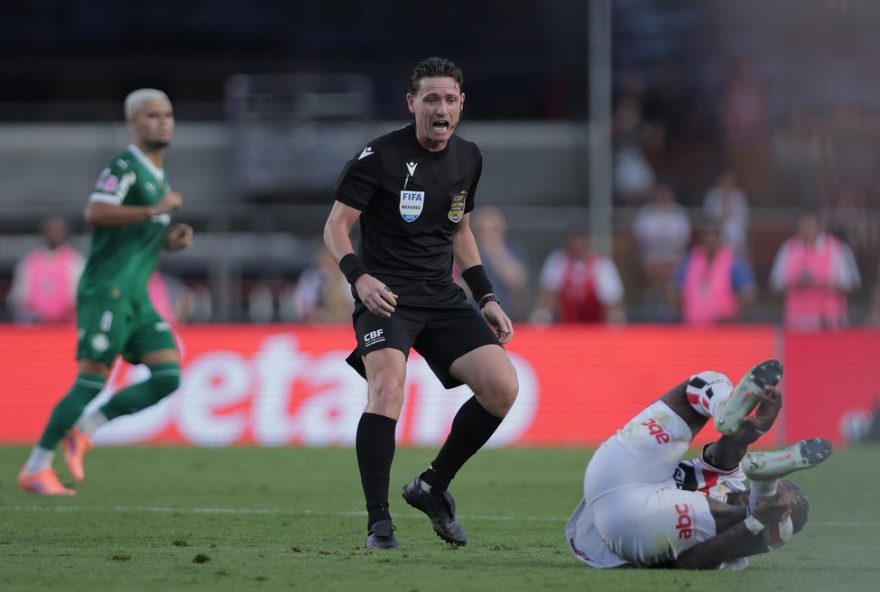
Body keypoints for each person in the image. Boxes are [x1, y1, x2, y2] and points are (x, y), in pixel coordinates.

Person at [323, 57, 518, 550]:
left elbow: (463, 232)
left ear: (461, 104)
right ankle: (379, 523)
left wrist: (486, 295)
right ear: (411, 103)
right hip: (386, 296)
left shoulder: (469, 157)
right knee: (387, 387)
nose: (441, 108)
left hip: (442, 296)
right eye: (431, 98)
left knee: (501, 387)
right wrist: (359, 279)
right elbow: (335, 228)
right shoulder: (379, 156)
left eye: (450, 99)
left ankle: (432, 485)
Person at [17, 88, 194, 496]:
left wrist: (171, 240)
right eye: (152, 116)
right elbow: (95, 211)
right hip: (106, 291)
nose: (162, 121)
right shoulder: (125, 167)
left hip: (137, 297)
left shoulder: (158, 174)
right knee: (91, 380)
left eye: (167, 114)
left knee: (168, 376)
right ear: (133, 123)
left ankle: (85, 429)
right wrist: (154, 210)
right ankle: (36, 467)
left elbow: (137, 236)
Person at [566, 360, 832, 569]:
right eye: (775, 494)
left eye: (777, 502)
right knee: (709, 380)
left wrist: (754, 524)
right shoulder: (732, 481)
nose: (744, 492)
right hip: (612, 475)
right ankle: (724, 408)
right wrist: (757, 429)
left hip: (627, 527)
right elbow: (726, 454)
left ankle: (762, 510)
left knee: (734, 517)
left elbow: (688, 563)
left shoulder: (733, 550)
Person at [769, 208, 861, 331]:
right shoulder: (789, 249)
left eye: (810, 226)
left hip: (829, 322)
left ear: (819, 226)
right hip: (797, 322)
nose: (806, 230)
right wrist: (796, 283)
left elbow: (851, 283)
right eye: (803, 226)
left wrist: (825, 283)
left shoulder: (837, 249)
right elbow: (776, 283)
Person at [674, 216, 756, 325]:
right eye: (707, 235)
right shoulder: (690, 259)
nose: (710, 239)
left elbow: (749, 293)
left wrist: (733, 314)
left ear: (721, 236)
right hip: (691, 327)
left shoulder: (733, 260)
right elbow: (674, 290)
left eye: (714, 234)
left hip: (723, 329)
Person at [531, 229, 625, 324]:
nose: (577, 243)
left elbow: (613, 301)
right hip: (566, 328)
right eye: (575, 238)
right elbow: (547, 295)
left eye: (581, 238)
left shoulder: (602, 265)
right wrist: (542, 316)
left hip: (595, 329)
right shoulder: (558, 261)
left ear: (587, 240)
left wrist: (614, 319)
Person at [8, 216, 85, 324]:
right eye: (50, 231)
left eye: (58, 231)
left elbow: (79, 296)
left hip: (66, 325)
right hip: (36, 325)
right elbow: (19, 296)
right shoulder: (29, 262)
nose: (53, 235)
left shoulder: (75, 261)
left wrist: (63, 312)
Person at [469, 206, 529, 322]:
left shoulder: (513, 251)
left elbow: (516, 283)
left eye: (493, 230)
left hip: (507, 316)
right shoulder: (465, 254)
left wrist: (494, 249)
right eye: (483, 230)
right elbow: (461, 290)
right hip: (474, 317)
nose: (488, 234)